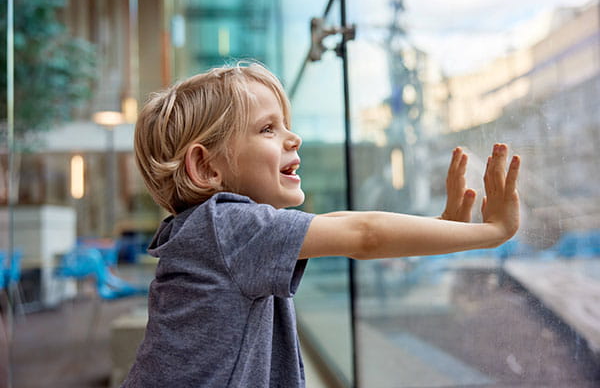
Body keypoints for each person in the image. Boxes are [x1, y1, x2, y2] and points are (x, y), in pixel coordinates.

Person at [122, 61, 520, 387]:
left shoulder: (208, 231)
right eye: (267, 129)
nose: (293, 138)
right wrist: (490, 232)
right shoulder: (227, 226)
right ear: (206, 167)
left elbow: (340, 222)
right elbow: (364, 234)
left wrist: (442, 227)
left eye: (285, 125)